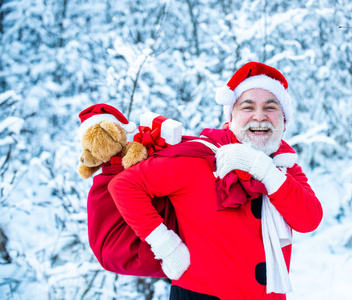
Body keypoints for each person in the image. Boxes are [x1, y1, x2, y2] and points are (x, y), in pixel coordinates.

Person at [97, 62, 323, 299]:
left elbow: (309, 220)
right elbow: (124, 186)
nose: (259, 116)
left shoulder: (285, 167)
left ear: (284, 119)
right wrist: (166, 245)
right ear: (231, 116)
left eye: (270, 107)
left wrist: (265, 171)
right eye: (247, 107)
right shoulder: (199, 158)